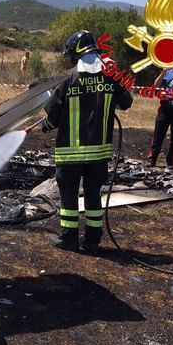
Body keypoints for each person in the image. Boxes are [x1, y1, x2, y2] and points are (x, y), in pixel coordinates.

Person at [41, 30, 133, 252]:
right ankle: (93, 240)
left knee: (69, 198)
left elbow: (52, 118)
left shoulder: (68, 80)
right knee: (93, 196)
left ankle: (69, 238)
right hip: (99, 155)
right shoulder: (110, 77)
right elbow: (126, 102)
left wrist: (45, 126)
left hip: (70, 153)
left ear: (76, 53)